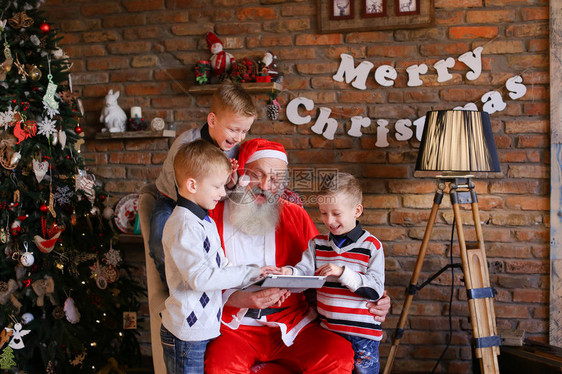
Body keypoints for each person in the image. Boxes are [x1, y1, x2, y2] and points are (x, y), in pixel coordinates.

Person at [204, 138, 391, 373]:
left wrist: (377, 297)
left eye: (275, 179)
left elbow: (337, 266)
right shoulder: (211, 216)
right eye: (257, 174)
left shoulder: (296, 215)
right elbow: (194, 276)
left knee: (338, 357)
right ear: (241, 171)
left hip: (292, 324)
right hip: (235, 326)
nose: (265, 185)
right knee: (219, 366)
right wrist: (238, 298)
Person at [160, 139, 276, 374]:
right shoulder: (183, 225)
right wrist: (249, 272)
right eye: (216, 187)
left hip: (203, 328)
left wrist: (257, 273)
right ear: (192, 185)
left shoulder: (205, 221)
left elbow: (221, 265)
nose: (223, 193)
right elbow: (200, 279)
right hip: (186, 333)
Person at [149, 81, 256, 284]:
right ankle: (175, 286)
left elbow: (228, 190)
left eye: (245, 131)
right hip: (174, 200)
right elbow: (184, 194)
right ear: (212, 120)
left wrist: (230, 180)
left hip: (210, 200)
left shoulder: (233, 149)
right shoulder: (185, 146)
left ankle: (217, 282)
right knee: (159, 240)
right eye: (234, 129)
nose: (239, 137)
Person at [280, 172, 385, 373]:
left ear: (357, 210)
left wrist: (342, 272)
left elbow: (375, 290)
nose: (329, 220)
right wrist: (288, 272)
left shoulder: (372, 246)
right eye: (323, 213)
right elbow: (304, 272)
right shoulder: (317, 244)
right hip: (329, 332)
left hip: (363, 337)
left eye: (336, 213)